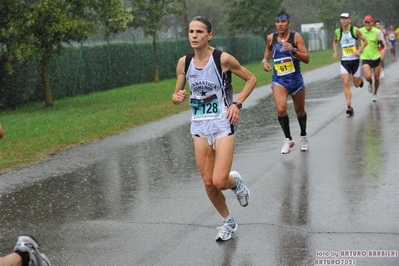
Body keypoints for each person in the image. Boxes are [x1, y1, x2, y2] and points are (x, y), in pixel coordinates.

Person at [172, 16, 257, 241]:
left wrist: (237, 104)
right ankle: (228, 222)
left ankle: (236, 183)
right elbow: (176, 95)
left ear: (209, 35)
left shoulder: (222, 59)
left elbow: (251, 79)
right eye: (191, 31)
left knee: (220, 181)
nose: (194, 36)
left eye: (199, 32)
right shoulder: (184, 63)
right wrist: (177, 96)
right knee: (209, 183)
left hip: (222, 123)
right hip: (199, 125)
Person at [262, 11, 310, 154]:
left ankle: (303, 136)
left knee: (300, 111)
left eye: (283, 22)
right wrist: (265, 60)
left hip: (295, 81)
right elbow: (268, 49)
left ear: (288, 23)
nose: (280, 24)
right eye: (278, 22)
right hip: (279, 81)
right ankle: (288, 139)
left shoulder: (296, 37)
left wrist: (293, 50)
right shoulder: (271, 37)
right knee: (281, 109)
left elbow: (307, 59)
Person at [333, 12, 368, 116]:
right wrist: (335, 52)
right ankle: (349, 106)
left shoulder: (355, 30)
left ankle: (359, 81)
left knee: (356, 84)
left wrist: (359, 50)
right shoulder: (338, 31)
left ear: (349, 20)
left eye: (345, 19)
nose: (343, 20)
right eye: (342, 19)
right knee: (346, 82)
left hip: (355, 60)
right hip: (344, 61)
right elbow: (334, 41)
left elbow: (365, 41)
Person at [359, 15, 384, 102]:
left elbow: (382, 46)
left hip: (376, 57)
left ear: (372, 22)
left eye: (369, 22)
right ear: (364, 22)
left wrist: (380, 41)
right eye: (366, 22)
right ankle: (370, 82)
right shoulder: (360, 31)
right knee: (368, 77)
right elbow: (358, 41)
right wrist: (359, 50)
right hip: (366, 57)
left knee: (377, 78)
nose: (367, 24)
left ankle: (375, 93)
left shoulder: (377, 31)